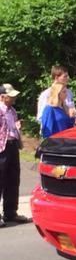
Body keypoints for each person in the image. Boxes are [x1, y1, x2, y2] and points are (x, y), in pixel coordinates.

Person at [0, 83, 31, 226]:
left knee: (13, 180)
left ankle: (10, 212)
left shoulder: (12, 111)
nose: (14, 98)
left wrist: (18, 130)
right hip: (2, 147)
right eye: (10, 96)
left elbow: (12, 129)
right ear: (2, 97)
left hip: (12, 146)